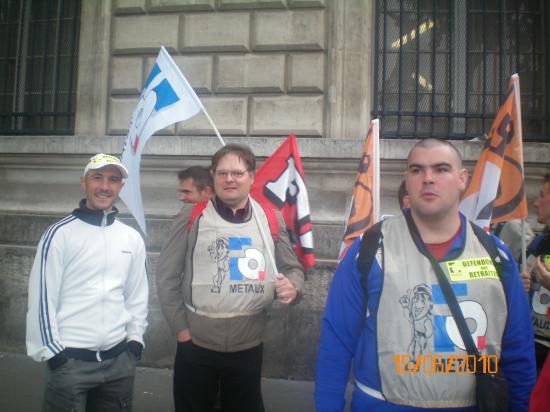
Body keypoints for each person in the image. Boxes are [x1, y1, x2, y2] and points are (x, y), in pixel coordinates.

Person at [315, 138, 535, 411]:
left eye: (441, 169)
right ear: (407, 179)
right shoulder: (370, 250)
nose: (428, 178)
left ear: (462, 179)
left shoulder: (496, 255)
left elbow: (518, 350)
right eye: (417, 170)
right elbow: (336, 341)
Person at [156, 143, 305, 412]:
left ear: (251, 176)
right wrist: (182, 331)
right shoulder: (191, 216)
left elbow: (293, 268)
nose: (229, 179)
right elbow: (166, 276)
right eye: (222, 173)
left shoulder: (270, 219)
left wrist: (293, 287)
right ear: (213, 176)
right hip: (196, 345)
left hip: (249, 348)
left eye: (237, 173)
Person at [26, 153, 149, 412]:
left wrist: (135, 341)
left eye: (113, 180)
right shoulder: (59, 235)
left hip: (119, 362)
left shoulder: (132, 238)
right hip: (70, 362)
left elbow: (138, 294)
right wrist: (55, 354)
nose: (105, 186)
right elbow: (42, 299)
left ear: (121, 187)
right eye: (97, 177)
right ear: (84, 182)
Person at [520, 174, 550, 373]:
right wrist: (520, 285)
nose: (536, 203)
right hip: (533, 347)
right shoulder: (537, 243)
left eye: (542, 196)